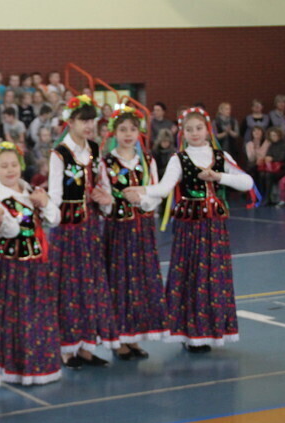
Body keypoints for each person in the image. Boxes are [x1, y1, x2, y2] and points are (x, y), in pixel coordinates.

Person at [125, 107, 253, 352]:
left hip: (214, 225)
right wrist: (143, 192)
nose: (195, 133)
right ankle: (190, 332)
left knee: (214, 275)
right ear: (182, 132)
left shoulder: (220, 156)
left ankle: (212, 329)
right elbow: (163, 189)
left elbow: (246, 181)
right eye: (189, 129)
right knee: (191, 275)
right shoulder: (178, 158)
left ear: (207, 130)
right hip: (190, 227)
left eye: (199, 128)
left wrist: (218, 177)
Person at [48, 95, 119, 367]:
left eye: (92, 120)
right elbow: (55, 193)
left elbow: (101, 182)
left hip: (90, 229)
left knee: (90, 286)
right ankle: (67, 348)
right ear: (71, 122)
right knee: (68, 287)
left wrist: (106, 197)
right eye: (83, 120)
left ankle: (87, 345)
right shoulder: (60, 153)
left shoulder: (93, 148)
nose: (89, 125)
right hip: (67, 230)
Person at [0, 142, 62, 384]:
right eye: (4, 166)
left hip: (37, 264)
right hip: (11, 267)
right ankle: (15, 368)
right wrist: (0, 222)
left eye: (14, 164)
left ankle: (42, 365)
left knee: (38, 314)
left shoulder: (33, 190)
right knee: (15, 315)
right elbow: (7, 232)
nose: (10, 170)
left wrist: (45, 202)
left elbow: (55, 219)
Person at [100, 107, 168, 360]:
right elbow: (104, 202)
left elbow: (157, 193)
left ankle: (136, 337)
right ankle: (119, 339)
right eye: (122, 129)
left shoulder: (147, 160)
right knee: (120, 281)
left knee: (141, 281)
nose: (128, 134)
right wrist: (111, 201)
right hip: (118, 230)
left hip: (143, 230)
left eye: (132, 129)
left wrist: (142, 199)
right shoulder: (106, 162)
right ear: (114, 132)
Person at [256, 127, 285, 205]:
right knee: (261, 174)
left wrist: (272, 158)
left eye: (275, 135)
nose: (273, 137)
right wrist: (267, 158)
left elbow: (282, 158)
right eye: (272, 136)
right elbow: (268, 154)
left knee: (269, 175)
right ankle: (263, 196)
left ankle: (268, 198)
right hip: (273, 167)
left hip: (284, 167)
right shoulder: (272, 145)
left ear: (279, 135)